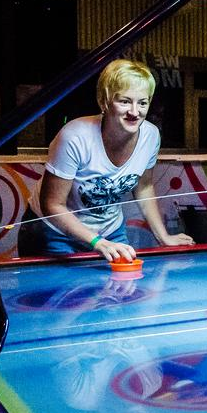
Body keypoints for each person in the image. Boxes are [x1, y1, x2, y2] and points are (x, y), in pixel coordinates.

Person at [18, 59, 193, 262]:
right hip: (54, 231)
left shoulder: (151, 136)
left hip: (110, 231)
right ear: (104, 102)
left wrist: (163, 237)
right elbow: (52, 205)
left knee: (124, 281)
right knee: (69, 284)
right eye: (124, 101)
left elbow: (144, 187)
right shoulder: (74, 136)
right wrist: (98, 242)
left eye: (142, 103)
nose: (134, 112)